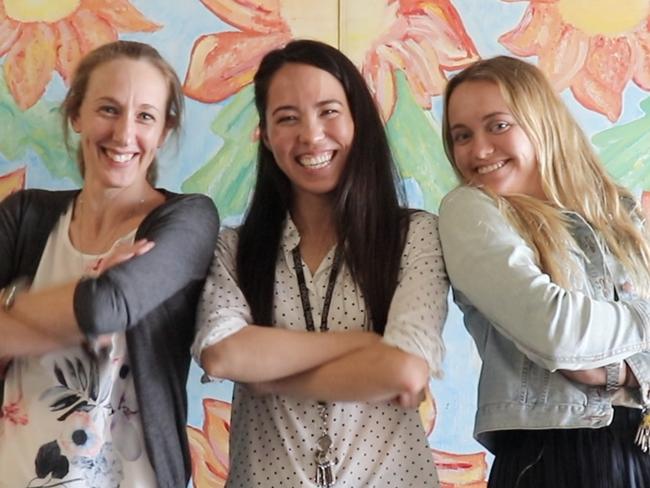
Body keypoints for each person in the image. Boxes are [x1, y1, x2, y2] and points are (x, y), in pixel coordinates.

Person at [193, 39, 448, 487]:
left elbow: (404, 369)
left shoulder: (414, 236)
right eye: (287, 118)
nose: (311, 135)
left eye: (329, 111)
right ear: (266, 136)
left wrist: (270, 378)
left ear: (359, 122)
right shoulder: (232, 248)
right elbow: (224, 353)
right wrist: (365, 345)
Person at [0, 40, 219, 487]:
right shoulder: (25, 216)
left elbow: (106, 308)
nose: (123, 134)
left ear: (163, 130)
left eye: (144, 116)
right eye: (108, 109)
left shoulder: (187, 220)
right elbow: (95, 305)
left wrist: (11, 306)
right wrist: (86, 289)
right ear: (77, 114)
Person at [439, 55, 650, 487]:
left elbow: (578, 346)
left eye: (498, 125)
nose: (478, 150)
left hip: (639, 449)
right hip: (551, 457)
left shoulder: (618, 213)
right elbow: (556, 331)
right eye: (462, 135)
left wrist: (614, 371)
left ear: (541, 121)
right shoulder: (472, 209)